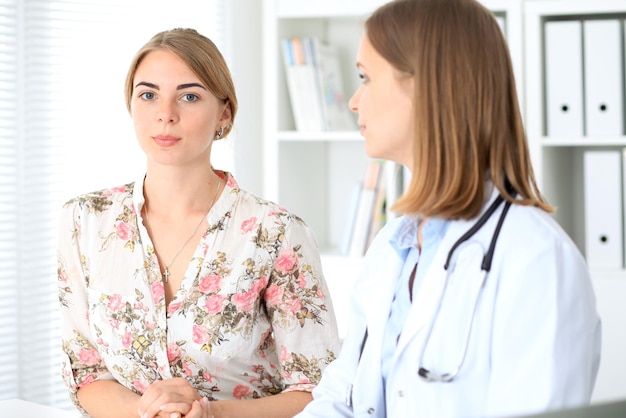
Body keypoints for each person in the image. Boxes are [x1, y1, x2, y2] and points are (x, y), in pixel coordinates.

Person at [294, 0, 602, 417]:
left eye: (366, 78)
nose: (353, 101)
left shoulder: (536, 259)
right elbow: (341, 399)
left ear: (426, 85)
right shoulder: (392, 246)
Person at [57, 28, 340, 418]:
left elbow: (318, 389)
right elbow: (86, 370)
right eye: (148, 94)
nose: (165, 114)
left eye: (189, 96)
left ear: (224, 113)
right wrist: (149, 413)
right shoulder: (84, 220)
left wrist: (210, 414)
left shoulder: (276, 233)